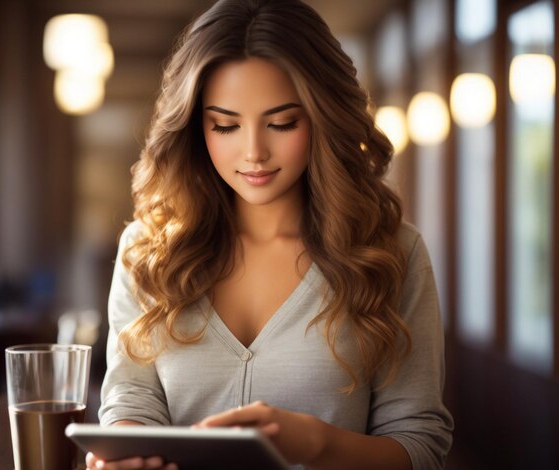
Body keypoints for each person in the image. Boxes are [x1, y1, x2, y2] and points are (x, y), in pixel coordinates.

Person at [88, 0, 453, 469]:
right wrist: (124, 449)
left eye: (282, 123)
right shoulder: (147, 251)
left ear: (322, 116)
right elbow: (130, 401)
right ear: (196, 127)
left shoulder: (390, 253)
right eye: (225, 125)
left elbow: (422, 446)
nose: (254, 152)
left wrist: (320, 443)